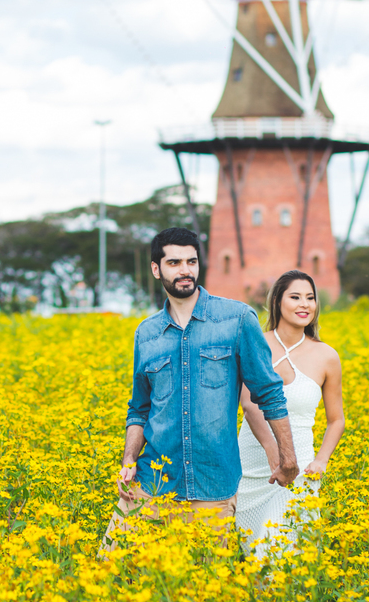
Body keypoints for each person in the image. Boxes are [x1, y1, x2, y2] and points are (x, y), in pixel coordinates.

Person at [102, 228, 300, 550]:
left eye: (191, 261)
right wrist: (128, 460)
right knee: (115, 576)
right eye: (175, 262)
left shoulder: (236, 320)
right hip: (149, 486)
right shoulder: (146, 333)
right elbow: (139, 408)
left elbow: (269, 394)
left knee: (207, 592)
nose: (185, 270)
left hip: (212, 489)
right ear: (156, 269)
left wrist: (286, 456)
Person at [236, 270, 345, 555]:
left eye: (310, 298)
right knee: (246, 551)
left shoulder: (326, 356)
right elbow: (249, 406)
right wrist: (278, 456)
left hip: (300, 469)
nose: (304, 304)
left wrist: (321, 461)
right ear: (278, 302)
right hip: (251, 464)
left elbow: (336, 420)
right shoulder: (256, 343)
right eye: (295, 297)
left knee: (279, 551)